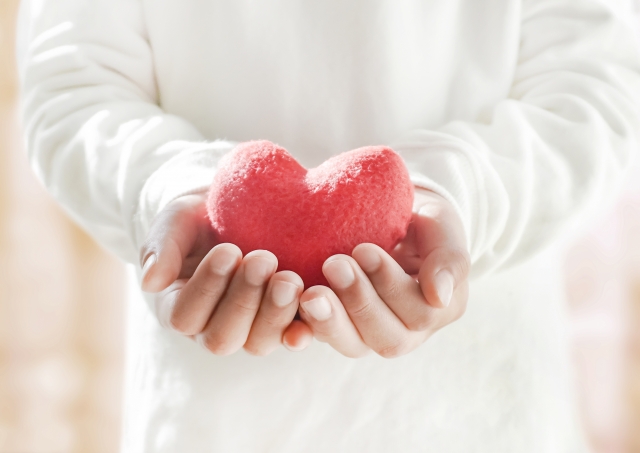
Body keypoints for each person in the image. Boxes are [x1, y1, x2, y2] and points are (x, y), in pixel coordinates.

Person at [17, 0, 640, 451]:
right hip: (212, 412)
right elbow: (75, 79)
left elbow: (597, 83)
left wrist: (458, 194)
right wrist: (168, 188)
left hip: (479, 409)